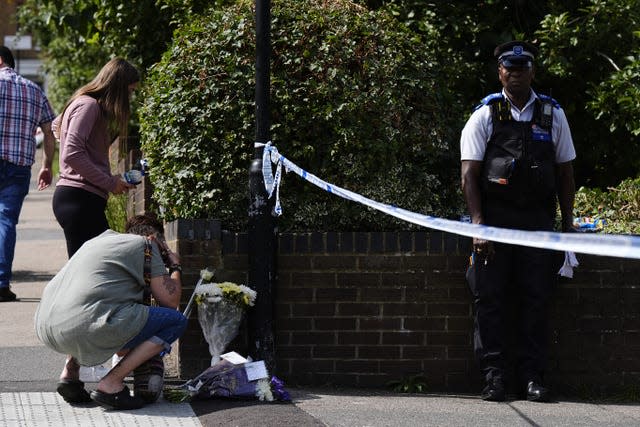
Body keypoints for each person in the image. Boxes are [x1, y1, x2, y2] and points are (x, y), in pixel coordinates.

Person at [460, 41, 576, 402]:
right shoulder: (485, 114)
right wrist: (479, 226)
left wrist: (568, 227)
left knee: (536, 301)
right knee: (490, 301)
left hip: (538, 223)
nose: (516, 73)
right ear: (500, 72)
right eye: (509, 68)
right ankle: (494, 377)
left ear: (532, 71)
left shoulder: (552, 114)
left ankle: (533, 378)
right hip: (494, 223)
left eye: (522, 67)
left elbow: (566, 175)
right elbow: (468, 175)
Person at [34, 214, 187, 410]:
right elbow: (170, 301)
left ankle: (70, 374)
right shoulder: (146, 245)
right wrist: (174, 266)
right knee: (176, 321)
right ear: (153, 238)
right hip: (83, 327)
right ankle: (111, 383)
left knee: (90, 308)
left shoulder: (99, 241)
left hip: (47, 326)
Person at [52, 57, 139, 258]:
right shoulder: (89, 106)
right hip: (80, 200)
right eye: (130, 91)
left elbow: (56, 125)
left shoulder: (85, 104)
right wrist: (108, 182)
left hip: (81, 199)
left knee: (89, 268)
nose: (130, 97)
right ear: (118, 87)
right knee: (93, 268)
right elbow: (72, 154)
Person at [0, 46, 56, 302]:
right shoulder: (33, 90)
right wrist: (46, 165)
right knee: (6, 221)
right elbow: (49, 131)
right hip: (18, 167)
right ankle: (1, 284)